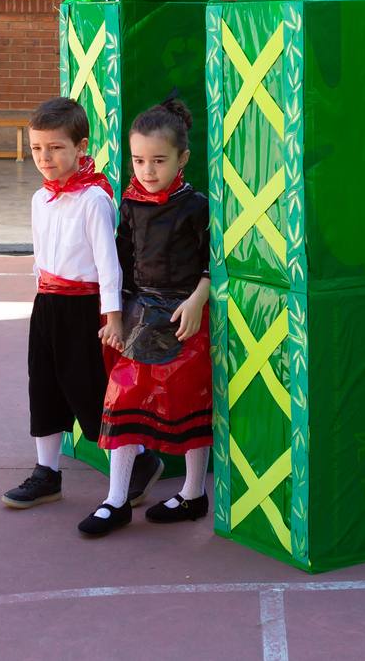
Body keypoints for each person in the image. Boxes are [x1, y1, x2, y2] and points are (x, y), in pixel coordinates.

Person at [88, 99, 213, 536]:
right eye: (139, 160)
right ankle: (116, 499)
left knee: (191, 403)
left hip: (185, 317)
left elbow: (215, 261)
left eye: (159, 160)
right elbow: (121, 262)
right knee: (121, 399)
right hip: (142, 314)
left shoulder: (196, 206)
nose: (147, 169)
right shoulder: (130, 203)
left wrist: (198, 300)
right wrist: (115, 316)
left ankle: (194, 493)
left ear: (183, 158)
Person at [2, 97, 124, 524]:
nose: (45, 158)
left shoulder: (94, 199)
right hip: (48, 304)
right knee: (45, 386)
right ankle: (47, 473)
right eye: (36, 148)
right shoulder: (41, 199)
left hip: (84, 309)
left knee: (89, 390)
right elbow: (42, 255)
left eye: (55, 147)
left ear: (80, 147)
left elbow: (109, 266)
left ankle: (138, 463)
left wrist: (113, 317)